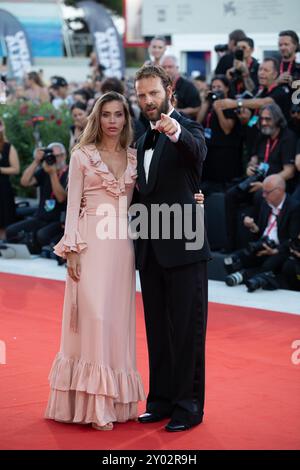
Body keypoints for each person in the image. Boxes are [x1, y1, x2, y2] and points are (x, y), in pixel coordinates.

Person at [44, 92, 146, 431]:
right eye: (106, 115)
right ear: (97, 118)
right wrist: (71, 247)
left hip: (122, 247)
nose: (113, 121)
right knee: (95, 317)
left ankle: (117, 403)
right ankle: (95, 406)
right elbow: (72, 205)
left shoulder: (134, 158)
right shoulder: (82, 156)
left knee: (117, 323)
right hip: (89, 243)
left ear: (126, 120)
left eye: (119, 114)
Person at [134, 65, 210, 432]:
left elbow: (197, 153)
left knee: (187, 331)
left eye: (153, 93)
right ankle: (160, 400)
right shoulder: (140, 139)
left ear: (169, 92)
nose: (148, 101)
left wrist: (176, 130)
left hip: (185, 246)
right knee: (158, 331)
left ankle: (188, 406)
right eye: (142, 95)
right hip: (150, 249)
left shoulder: (189, 128)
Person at [224, 175, 300, 292]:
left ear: (279, 191)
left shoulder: (294, 208)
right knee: (232, 260)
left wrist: (276, 251)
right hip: (261, 244)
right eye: (263, 191)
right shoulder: (264, 202)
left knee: (268, 265)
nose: (263, 195)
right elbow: (259, 230)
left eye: (267, 192)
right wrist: (253, 227)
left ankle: (245, 277)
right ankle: (245, 277)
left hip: (280, 250)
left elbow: (293, 239)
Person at [6, 143, 68, 252]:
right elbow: (24, 182)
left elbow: (61, 198)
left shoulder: (69, 173)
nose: (54, 159)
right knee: (11, 231)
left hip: (58, 220)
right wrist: (36, 161)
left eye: (58, 156)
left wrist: (53, 174)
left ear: (64, 156)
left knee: (42, 235)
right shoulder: (45, 171)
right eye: (51, 156)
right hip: (40, 217)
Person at [197, 75, 242, 193]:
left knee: (221, 190)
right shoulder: (212, 102)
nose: (216, 89)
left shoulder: (230, 104)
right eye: (213, 87)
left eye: (219, 87)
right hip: (210, 151)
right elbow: (198, 122)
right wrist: (205, 103)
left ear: (227, 88)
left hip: (226, 154)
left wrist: (219, 109)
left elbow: (227, 129)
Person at [161, 55, 201, 120]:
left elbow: (197, 108)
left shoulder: (188, 86)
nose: (167, 70)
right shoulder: (159, 85)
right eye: (164, 67)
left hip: (184, 124)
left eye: (170, 67)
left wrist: (175, 111)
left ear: (177, 68)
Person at [0, 119, 20, 240]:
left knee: (3, 220)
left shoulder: (8, 147)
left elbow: (16, 169)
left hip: (3, 188)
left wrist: (1, 170)